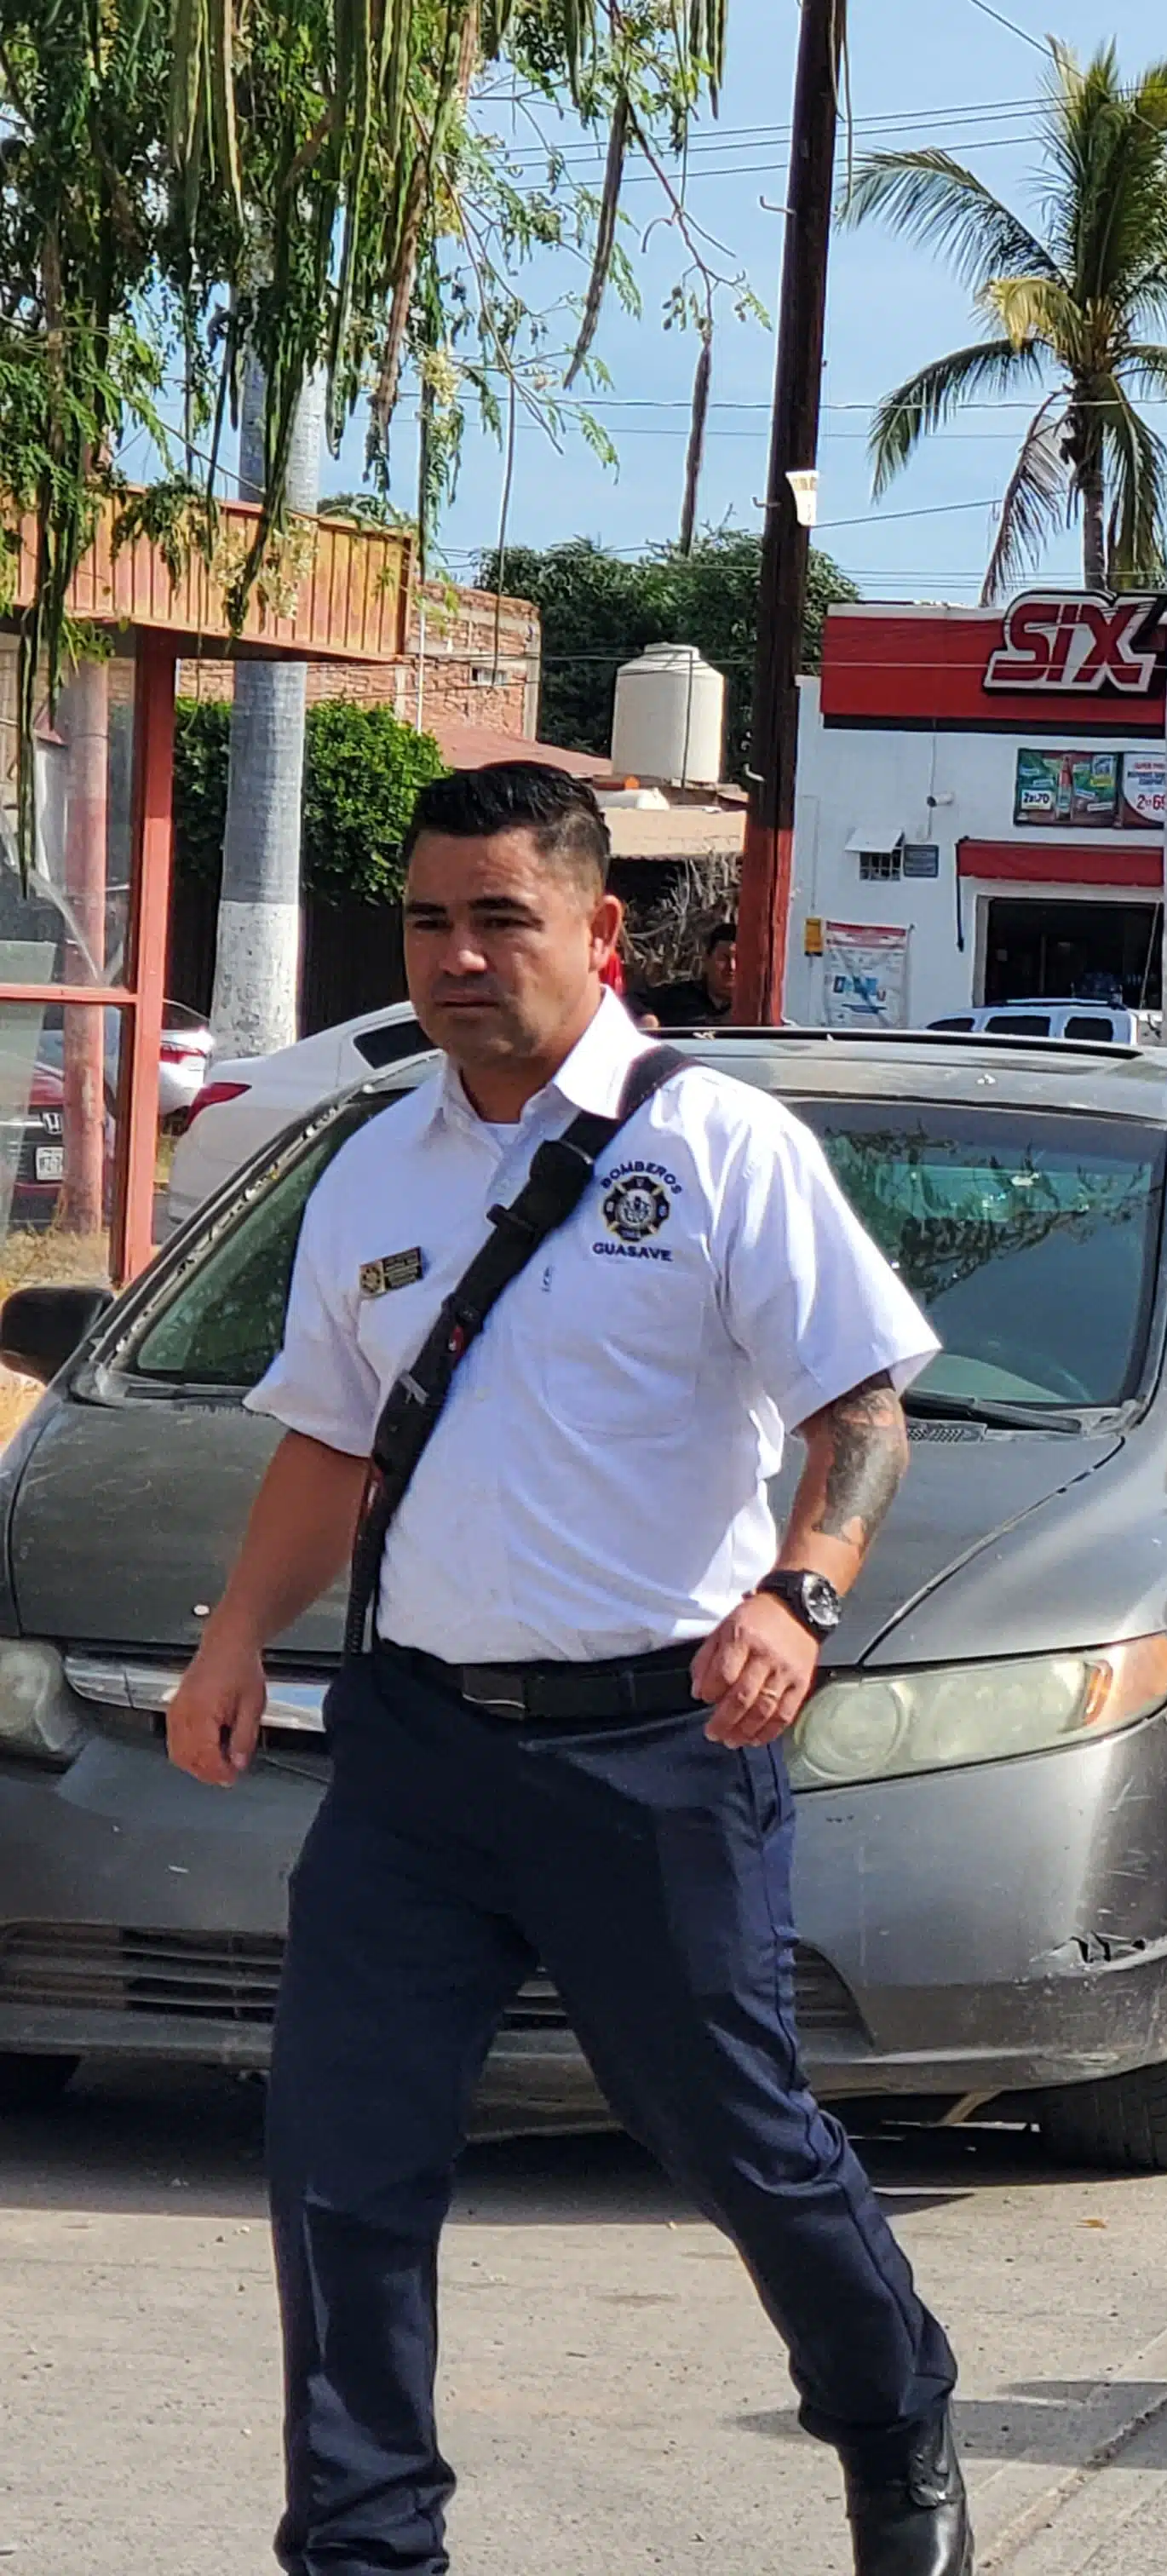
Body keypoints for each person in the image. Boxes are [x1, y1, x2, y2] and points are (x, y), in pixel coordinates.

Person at [163, 762, 972, 2576]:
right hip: (419, 1757)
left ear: (601, 934)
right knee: (342, 2168)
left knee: (740, 2147)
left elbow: (864, 1415)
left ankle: (891, 2406)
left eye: (499, 918)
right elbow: (329, 1441)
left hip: (657, 1755)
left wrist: (804, 1590)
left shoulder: (719, 1150)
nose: (457, 956)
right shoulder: (374, 1162)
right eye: (431, 920)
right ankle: (365, 2551)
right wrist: (233, 1642)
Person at [638, 917, 738, 1028]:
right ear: (706, 959)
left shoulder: (754, 1009)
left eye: (739, 959)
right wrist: (646, 1016)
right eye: (724, 958)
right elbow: (631, 1001)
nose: (732, 967)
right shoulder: (678, 997)